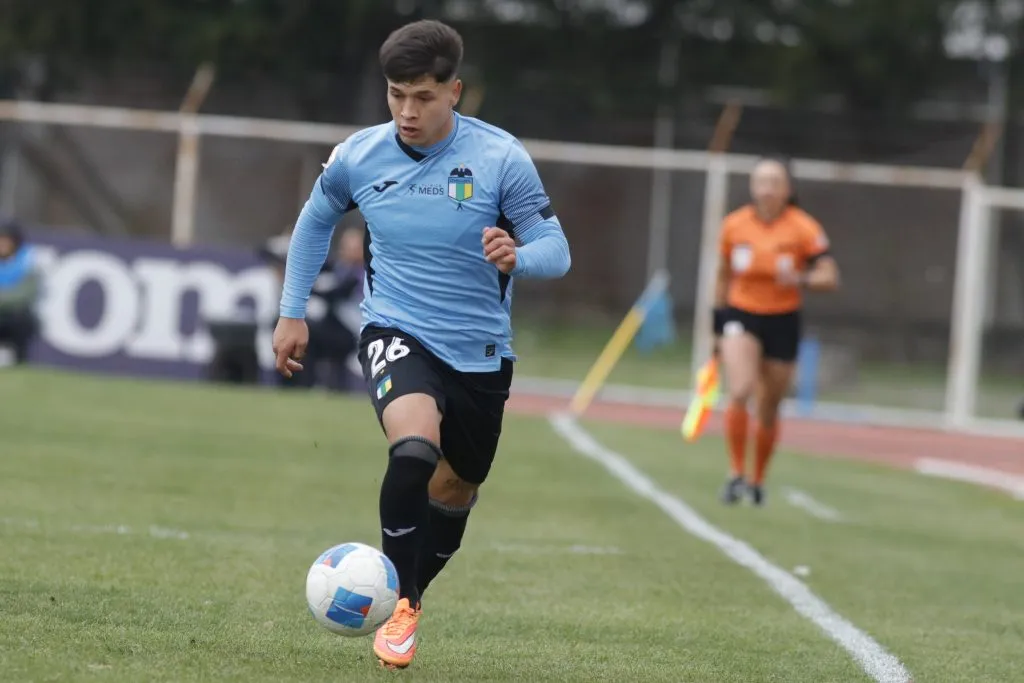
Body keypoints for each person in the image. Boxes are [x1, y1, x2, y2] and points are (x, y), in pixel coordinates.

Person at [271, 19, 570, 669]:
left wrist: (520, 254)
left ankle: (411, 594)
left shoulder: (499, 159)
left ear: (454, 91)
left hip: (481, 353)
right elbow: (314, 221)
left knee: (457, 486)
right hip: (395, 328)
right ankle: (400, 603)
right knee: (413, 450)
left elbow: (558, 250)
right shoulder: (359, 155)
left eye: (423, 97)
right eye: (396, 94)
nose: (407, 111)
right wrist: (291, 311)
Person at [712, 156, 839, 506]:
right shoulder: (734, 225)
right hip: (742, 313)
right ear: (752, 187)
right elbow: (722, 276)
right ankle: (736, 474)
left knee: (769, 406)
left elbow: (830, 275)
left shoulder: (803, 228)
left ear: (788, 189)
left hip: (782, 318)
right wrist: (717, 325)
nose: (767, 189)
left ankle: (757, 480)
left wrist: (800, 278)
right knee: (740, 389)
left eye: (774, 182)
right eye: (761, 181)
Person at [0, 218, 41, 365]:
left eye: (6, 240)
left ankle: (20, 361)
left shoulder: (28, 261)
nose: (2, 244)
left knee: (23, 321)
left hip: (16, 315)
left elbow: (26, 293)